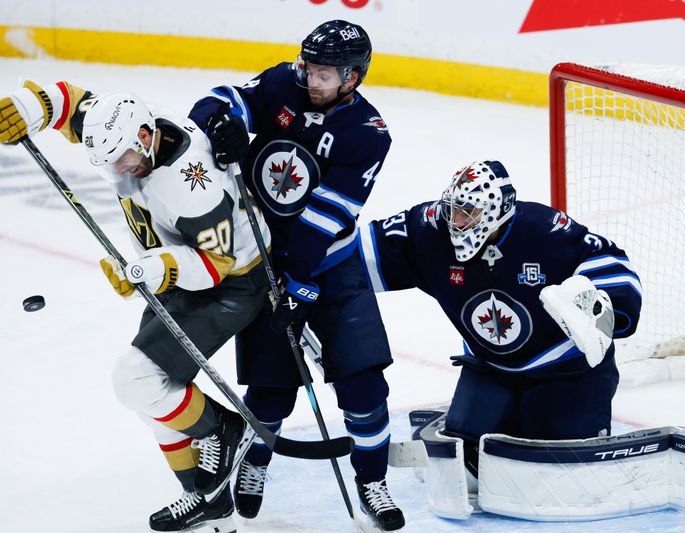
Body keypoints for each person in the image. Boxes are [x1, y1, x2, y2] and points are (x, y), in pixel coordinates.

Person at [0, 82, 272, 532]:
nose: (117, 170)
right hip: (180, 270)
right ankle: (206, 496)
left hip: (234, 283)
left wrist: (153, 266)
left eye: (123, 160)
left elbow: (216, 265)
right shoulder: (122, 127)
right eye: (106, 162)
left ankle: (226, 430)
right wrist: (29, 108)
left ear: (146, 138)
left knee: (137, 381)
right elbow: (69, 101)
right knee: (155, 394)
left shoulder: (191, 186)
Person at [187, 19, 403, 530]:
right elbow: (221, 100)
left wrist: (299, 281)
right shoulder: (286, 81)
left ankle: (372, 481)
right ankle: (255, 462)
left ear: (353, 77)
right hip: (262, 260)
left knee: (364, 385)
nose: (311, 78)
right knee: (270, 388)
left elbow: (325, 217)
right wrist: (222, 121)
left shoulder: (368, 134)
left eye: (325, 72)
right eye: (308, 65)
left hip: (332, 266)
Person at [358, 160, 643, 477]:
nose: (456, 220)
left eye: (468, 213)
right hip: (490, 370)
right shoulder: (431, 231)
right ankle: (475, 419)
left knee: (561, 469)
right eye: (453, 209)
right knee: (468, 466)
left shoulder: (544, 230)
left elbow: (608, 260)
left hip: (566, 372)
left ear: (498, 212)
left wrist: (602, 306)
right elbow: (358, 253)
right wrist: (304, 271)